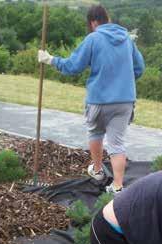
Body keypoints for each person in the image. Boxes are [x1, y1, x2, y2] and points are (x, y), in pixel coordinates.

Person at [38, 5, 145, 194]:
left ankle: (97, 171)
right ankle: (118, 186)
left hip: (99, 99)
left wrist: (50, 60)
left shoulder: (93, 38)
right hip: (124, 100)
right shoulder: (127, 40)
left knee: (96, 133)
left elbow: (73, 66)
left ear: (93, 22)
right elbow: (139, 68)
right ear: (107, 18)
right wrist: (122, 81)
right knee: (117, 143)